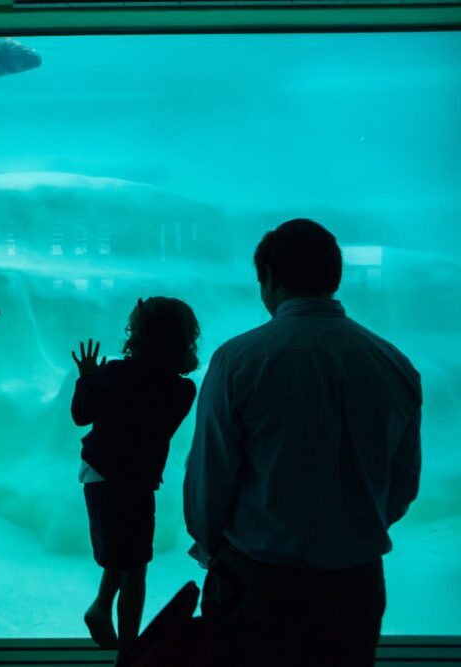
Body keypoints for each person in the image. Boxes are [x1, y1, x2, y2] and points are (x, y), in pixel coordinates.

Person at [184, 219, 422, 667]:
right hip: (356, 584)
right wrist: (352, 533)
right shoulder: (394, 364)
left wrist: (213, 548)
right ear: (335, 277)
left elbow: (210, 477)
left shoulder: (237, 360)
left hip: (258, 582)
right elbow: (403, 483)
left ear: (268, 277)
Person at [71, 297, 200, 660]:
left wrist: (87, 378)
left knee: (128, 555)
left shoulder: (113, 374)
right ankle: (128, 651)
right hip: (138, 479)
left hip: (103, 473)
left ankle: (107, 618)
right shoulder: (182, 390)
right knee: (134, 560)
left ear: (137, 334)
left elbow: (81, 416)